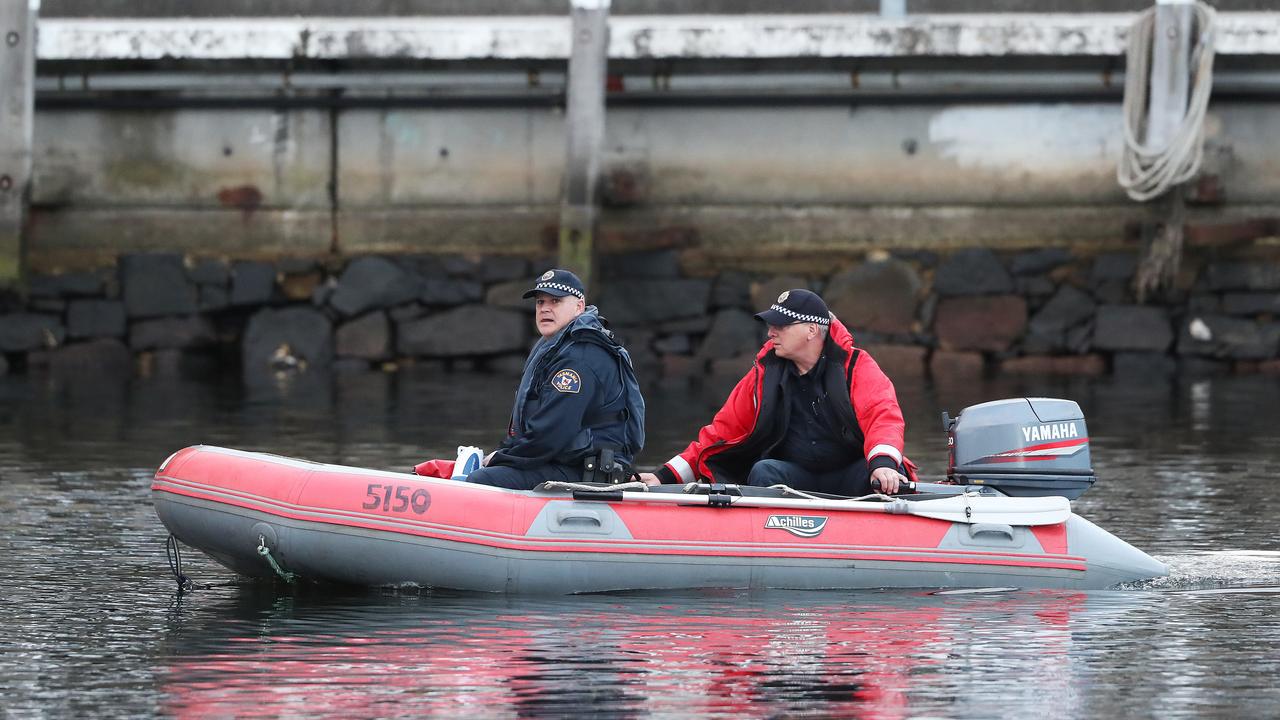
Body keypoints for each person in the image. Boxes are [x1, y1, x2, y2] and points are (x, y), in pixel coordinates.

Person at [639, 289, 913, 495]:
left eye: (781, 325)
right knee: (763, 470)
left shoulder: (857, 366)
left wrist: (884, 464)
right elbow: (721, 433)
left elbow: (883, 417)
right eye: (771, 325)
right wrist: (664, 476)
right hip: (793, 476)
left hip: (852, 473)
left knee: (886, 474)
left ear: (811, 330)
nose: (771, 332)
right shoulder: (763, 374)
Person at [464, 269, 645, 490]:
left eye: (555, 301)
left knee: (480, 482)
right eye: (540, 302)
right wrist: (504, 454)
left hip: (586, 472)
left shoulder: (579, 358)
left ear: (579, 306)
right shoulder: (558, 347)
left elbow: (552, 434)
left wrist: (502, 458)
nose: (545, 309)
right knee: (481, 470)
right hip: (563, 460)